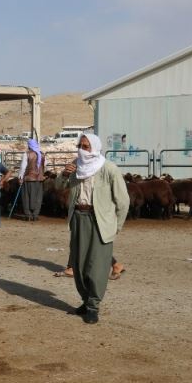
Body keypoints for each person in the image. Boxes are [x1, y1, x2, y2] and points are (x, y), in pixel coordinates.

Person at [56, 134, 129, 325]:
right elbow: (59, 186)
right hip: (78, 218)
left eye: (86, 146)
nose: (82, 150)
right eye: (80, 146)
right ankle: (85, 300)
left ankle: (93, 306)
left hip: (100, 221)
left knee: (97, 266)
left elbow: (123, 201)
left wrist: (116, 226)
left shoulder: (109, 168)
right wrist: (64, 175)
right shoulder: (75, 166)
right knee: (79, 264)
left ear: (95, 147)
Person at [18, 139, 46, 221]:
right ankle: (35, 215)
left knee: (26, 197)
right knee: (38, 197)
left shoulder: (27, 154)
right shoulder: (42, 154)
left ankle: (28, 215)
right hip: (39, 179)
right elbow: (45, 166)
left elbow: (23, 167)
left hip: (28, 178)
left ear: (29, 146)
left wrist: (20, 177)